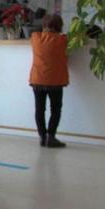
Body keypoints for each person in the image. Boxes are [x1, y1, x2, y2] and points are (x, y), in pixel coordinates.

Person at [30, 14, 70, 148]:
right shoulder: (63, 39)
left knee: (39, 109)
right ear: (59, 26)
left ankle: (42, 137)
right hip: (55, 81)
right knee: (56, 109)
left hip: (37, 79)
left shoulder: (35, 38)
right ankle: (51, 137)